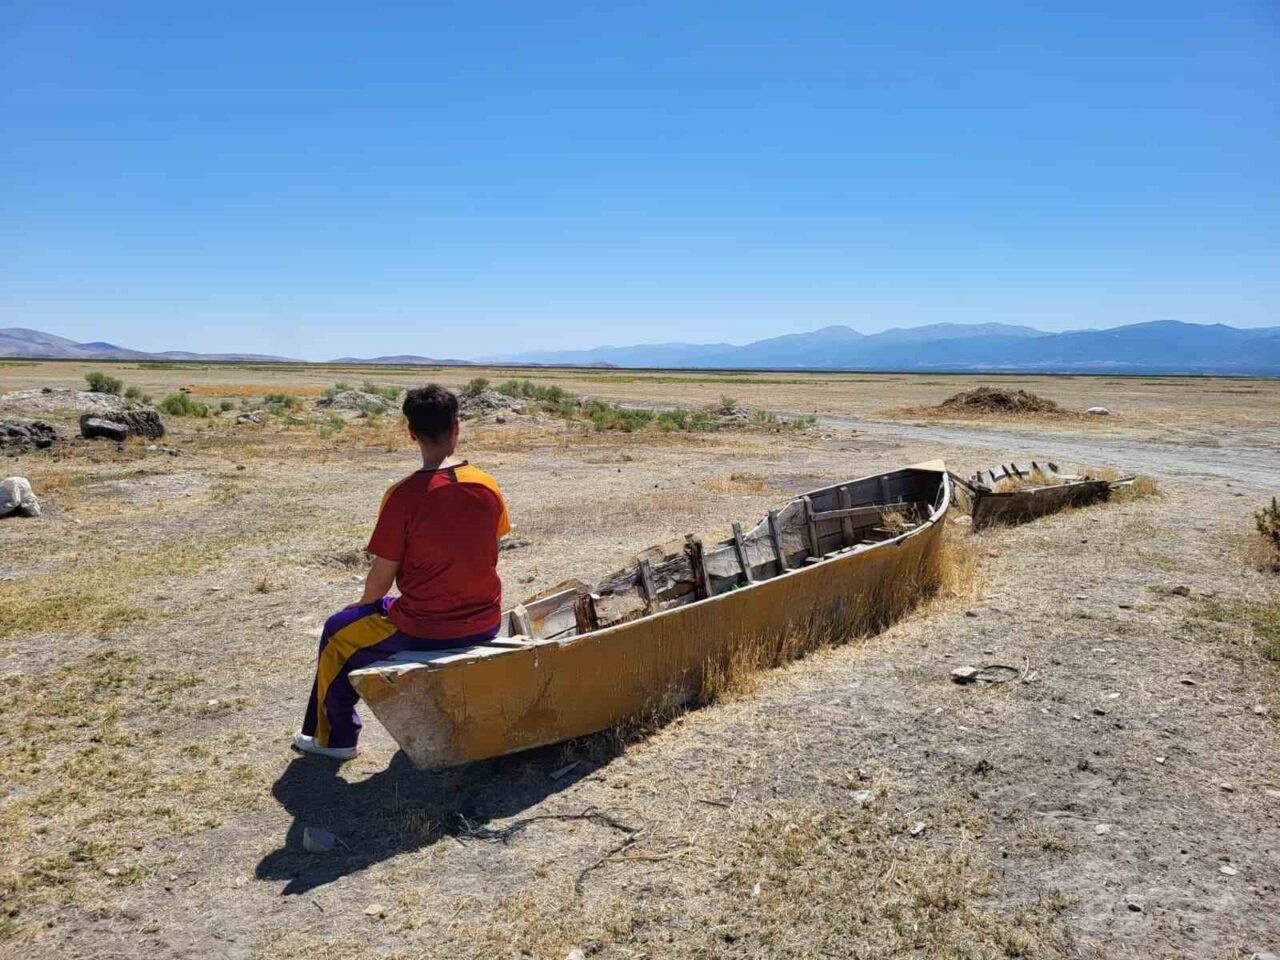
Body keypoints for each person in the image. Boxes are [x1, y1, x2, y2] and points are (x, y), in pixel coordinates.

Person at [293, 384, 510, 760]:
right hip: (485, 620)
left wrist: (361, 607)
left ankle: (335, 740)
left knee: (336, 632)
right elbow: (489, 549)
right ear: (456, 428)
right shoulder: (487, 485)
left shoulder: (403, 496)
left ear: (411, 432)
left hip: (425, 627)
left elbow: (382, 579)